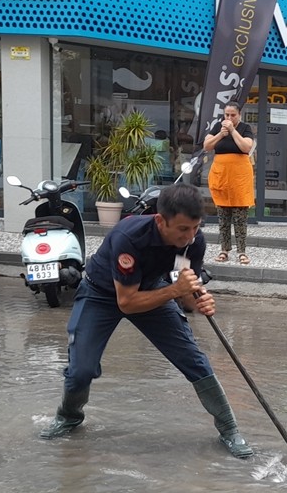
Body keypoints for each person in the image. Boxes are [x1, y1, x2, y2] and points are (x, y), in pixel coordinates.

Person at [36, 184, 254, 460]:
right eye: (183, 229)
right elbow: (126, 301)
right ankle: (69, 416)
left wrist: (199, 302)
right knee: (82, 369)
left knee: (194, 360)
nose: (190, 236)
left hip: (153, 290)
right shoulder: (129, 236)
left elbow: (184, 290)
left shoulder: (193, 242)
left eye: (195, 228)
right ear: (161, 220)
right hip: (102, 295)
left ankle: (230, 429)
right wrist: (176, 291)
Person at [203, 102, 256, 265]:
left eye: (233, 115)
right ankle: (224, 250)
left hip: (239, 178)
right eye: (227, 115)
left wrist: (233, 131)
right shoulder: (218, 127)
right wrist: (221, 134)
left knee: (240, 217)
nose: (229, 118)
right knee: (223, 217)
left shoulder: (245, 128)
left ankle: (242, 251)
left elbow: (246, 147)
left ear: (239, 115)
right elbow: (207, 146)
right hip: (221, 176)